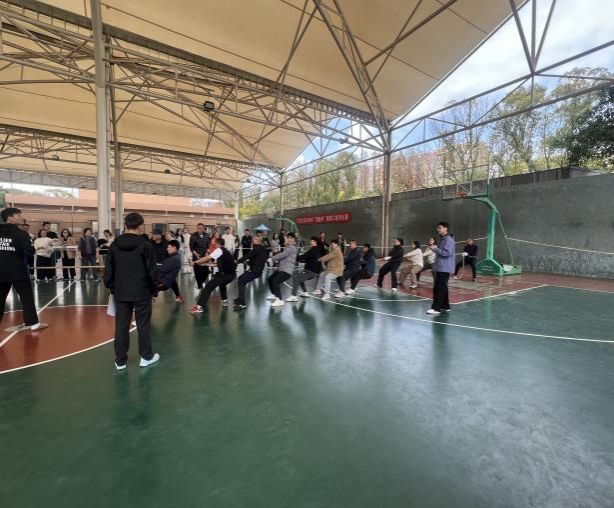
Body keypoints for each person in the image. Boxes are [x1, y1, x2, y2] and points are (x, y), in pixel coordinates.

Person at [104, 212, 160, 370]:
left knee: (121, 325)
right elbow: (152, 271)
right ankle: (146, 357)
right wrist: (154, 290)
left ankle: (120, 361)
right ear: (141, 225)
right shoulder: (146, 246)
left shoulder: (114, 245)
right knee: (143, 325)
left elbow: (109, 271)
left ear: (125, 225)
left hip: (121, 292)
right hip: (142, 291)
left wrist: (113, 288)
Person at [0, 208, 47, 331]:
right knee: (26, 297)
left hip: (1, 271)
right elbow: (29, 251)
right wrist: (37, 248)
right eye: (18, 215)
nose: (21, 217)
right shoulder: (21, 233)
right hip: (18, 271)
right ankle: (32, 324)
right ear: (9, 217)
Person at [190, 237, 237, 312]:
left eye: (215, 243)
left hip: (225, 275)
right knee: (222, 284)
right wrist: (205, 264)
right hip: (231, 275)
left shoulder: (219, 250)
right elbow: (218, 264)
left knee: (208, 287)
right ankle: (225, 301)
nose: (214, 244)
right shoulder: (225, 251)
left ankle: (199, 307)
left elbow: (207, 257)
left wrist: (195, 262)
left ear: (218, 244)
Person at [427, 222, 455, 316]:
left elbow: (447, 253)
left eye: (440, 227)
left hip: (444, 267)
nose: (438, 229)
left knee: (438, 288)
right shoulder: (443, 239)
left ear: (445, 228)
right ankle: (445, 306)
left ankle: (436, 308)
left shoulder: (448, 240)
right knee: (443, 287)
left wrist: (435, 249)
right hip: (442, 267)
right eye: (437, 228)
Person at [234, 234, 267, 309]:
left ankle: (242, 304)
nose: (252, 240)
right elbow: (257, 259)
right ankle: (240, 299)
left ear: (258, 240)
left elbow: (247, 256)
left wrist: (237, 261)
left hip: (255, 271)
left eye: (254, 239)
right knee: (241, 279)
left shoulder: (258, 248)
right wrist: (247, 263)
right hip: (255, 269)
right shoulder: (260, 248)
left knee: (241, 281)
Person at [266, 232, 299, 307]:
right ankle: (274, 294)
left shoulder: (292, 248)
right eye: (288, 238)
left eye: (290, 238)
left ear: (293, 240)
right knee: (270, 279)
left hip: (286, 271)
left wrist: (272, 259)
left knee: (275, 281)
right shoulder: (287, 247)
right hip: (281, 269)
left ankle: (280, 300)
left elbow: (282, 255)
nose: (288, 240)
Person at [286, 236, 322, 302]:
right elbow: (309, 259)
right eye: (311, 241)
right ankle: (305, 293)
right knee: (300, 278)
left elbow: (304, 256)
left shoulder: (313, 250)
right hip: (311, 271)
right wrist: (300, 259)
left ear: (315, 242)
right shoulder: (317, 250)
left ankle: (294, 296)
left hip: (310, 271)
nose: (310, 242)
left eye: (312, 241)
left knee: (296, 279)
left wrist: (294, 256)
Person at [189, 223, 211, 289]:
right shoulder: (193, 236)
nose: (199, 230)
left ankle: (202, 281)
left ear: (203, 229)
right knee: (197, 272)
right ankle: (199, 285)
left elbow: (208, 246)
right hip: (197, 257)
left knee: (206, 271)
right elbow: (191, 247)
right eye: (198, 228)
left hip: (205, 257)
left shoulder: (207, 235)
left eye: (201, 228)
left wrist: (207, 252)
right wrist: (196, 254)